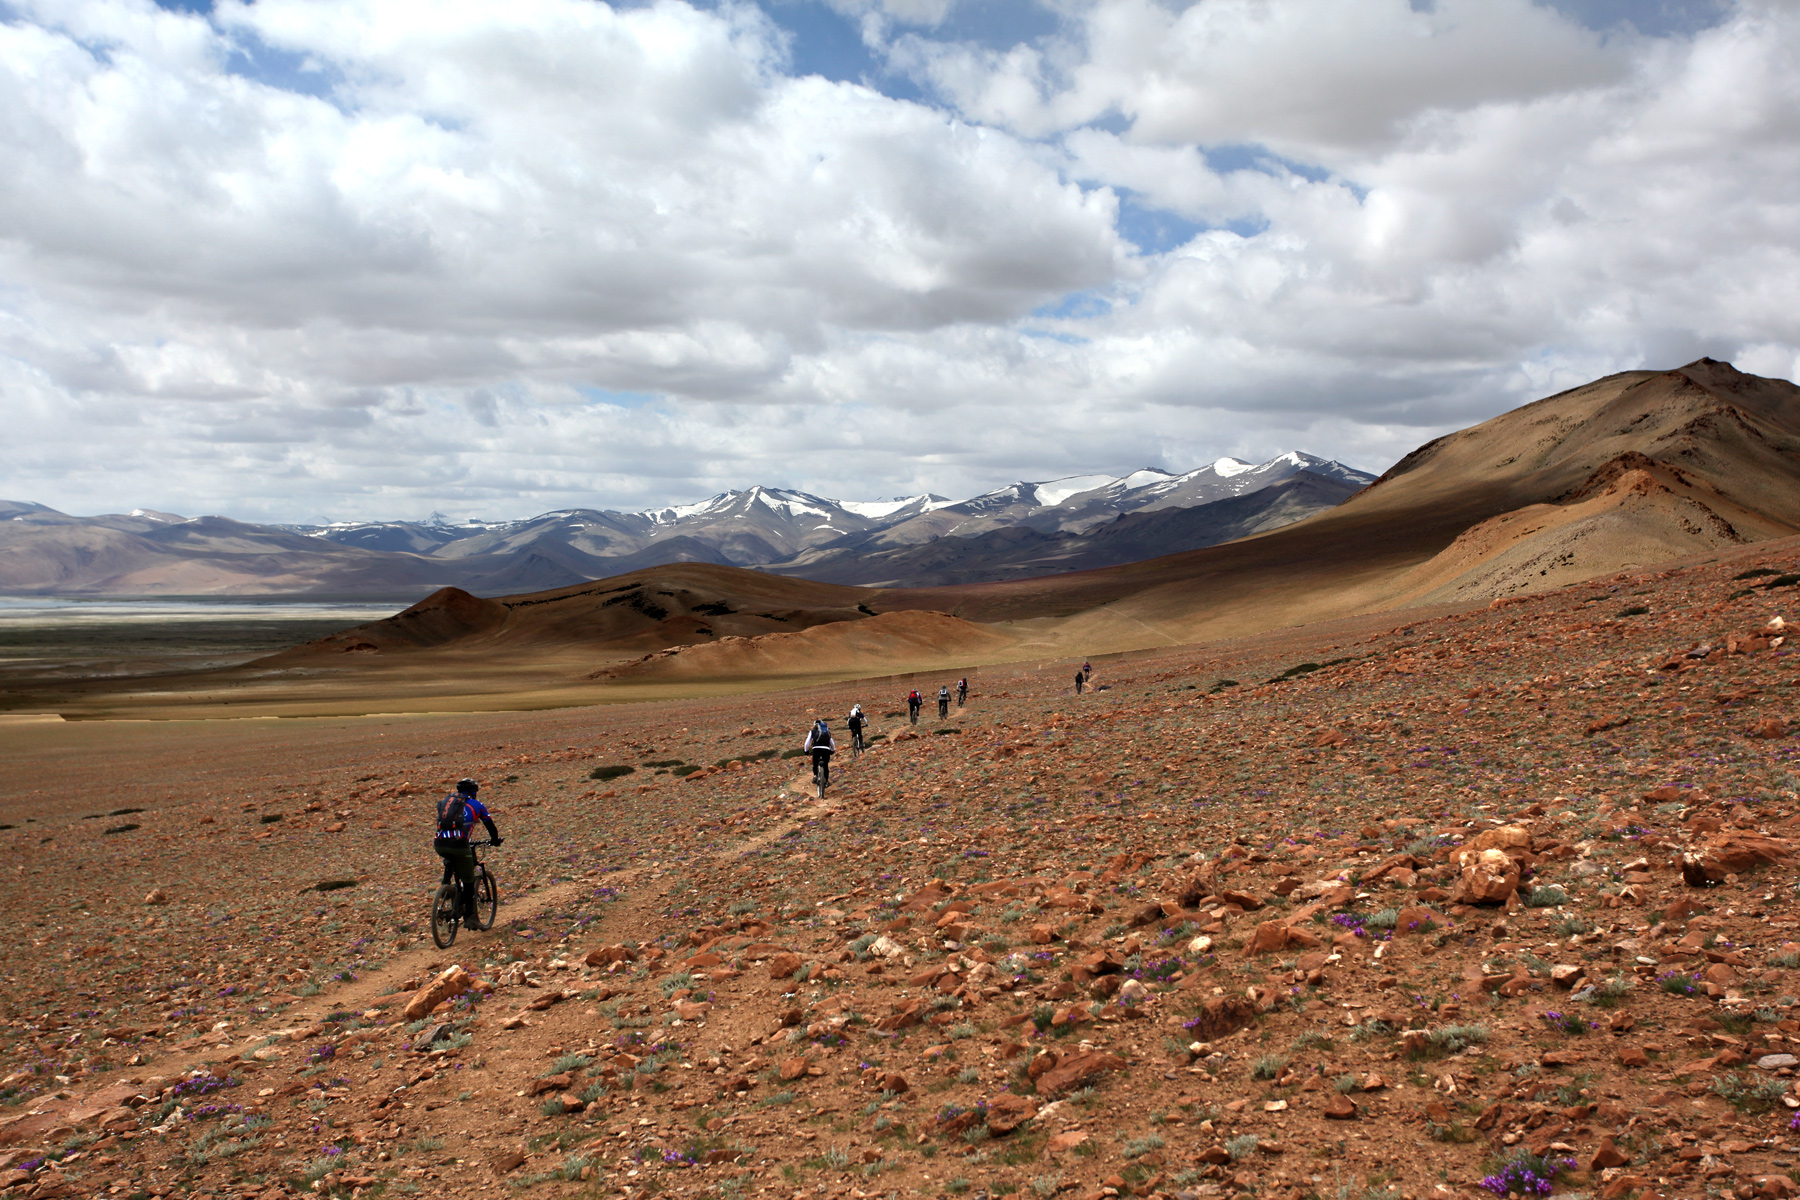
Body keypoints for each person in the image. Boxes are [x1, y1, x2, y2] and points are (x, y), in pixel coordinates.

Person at [435, 778, 502, 923]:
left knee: (451, 859)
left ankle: (445, 887)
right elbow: (490, 825)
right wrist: (495, 840)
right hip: (460, 845)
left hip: (439, 843)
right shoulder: (477, 805)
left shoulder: (448, 803)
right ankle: (471, 917)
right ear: (474, 792)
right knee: (468, 879)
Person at [803, 719, 836, 791]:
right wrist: (833, 750)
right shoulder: (826, 731)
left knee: (815, 763)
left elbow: (807, 743)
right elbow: (832, 743)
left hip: (816, 749)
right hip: (826, 749)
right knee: (825, 765)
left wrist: (806, 751)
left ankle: (815, 776)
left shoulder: (812, 731)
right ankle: (826, 781)